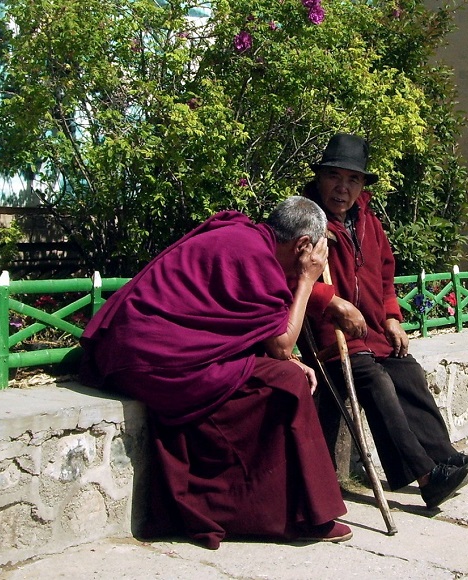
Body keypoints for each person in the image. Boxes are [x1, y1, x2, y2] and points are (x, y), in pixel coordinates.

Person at [79, 196, 352, 549]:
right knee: (287, 383)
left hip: (139, 347)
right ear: (302, 245)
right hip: (154, 358)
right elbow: (282, 344)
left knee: (285, 374)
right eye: (315, 252)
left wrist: (287, 358)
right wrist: (306, 280)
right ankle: (290, 513)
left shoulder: (243, 235)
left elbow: (230, 325)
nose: (316, 259)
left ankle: (286, 506)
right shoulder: (258, 259)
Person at [303, 133, 468, 510]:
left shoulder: (368, 221)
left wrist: (392, 316)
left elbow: (385, 274)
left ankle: (446, 459)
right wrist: (331, 300)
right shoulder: (305, 218)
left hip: (372, 331)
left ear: (362, 185)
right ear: (321, 177)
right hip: (332, 334)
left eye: (353, 179)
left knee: (408, 373)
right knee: (376, 382)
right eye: (334, 177)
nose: (343, 188)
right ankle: (428, 478)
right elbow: (288, 276)